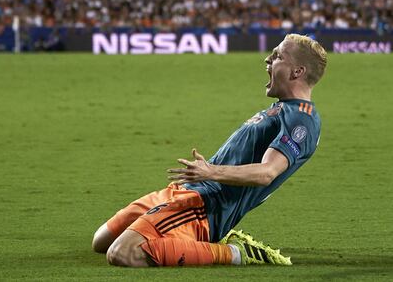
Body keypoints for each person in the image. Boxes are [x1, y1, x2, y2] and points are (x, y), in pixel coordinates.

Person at [92, 33, 327, 267]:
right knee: (102, 240)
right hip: (186, 191)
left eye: (277, 57)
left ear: (297, 72)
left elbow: (267, 173)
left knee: (123, 253)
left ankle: (236, 253)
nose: (268, 59)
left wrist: (210, 172)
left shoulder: (301, 120)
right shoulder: (283, 108)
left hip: (205, 206)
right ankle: (189, 238)